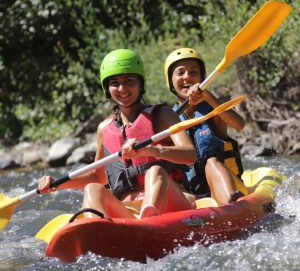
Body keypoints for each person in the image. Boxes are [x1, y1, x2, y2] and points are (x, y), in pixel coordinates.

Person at [38, 49, 197, 219]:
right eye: (114, 83)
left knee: (155, 171)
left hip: (171, 203)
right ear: (107, 88)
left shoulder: (162, 115)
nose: (122, 88)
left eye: (129, 81)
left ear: (140, 83)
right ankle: (96, 231)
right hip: (128, 211)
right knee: (92, 188)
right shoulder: (104, 128)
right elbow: (97, 176)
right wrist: (58, 184)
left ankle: (148, 223)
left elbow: (190, 154)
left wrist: (153, 151)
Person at [164, 47, 248, 205]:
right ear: (171, 81)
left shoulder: (216, 107)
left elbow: (239, 125)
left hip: (228, 185)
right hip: (191, 196)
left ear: (202, 77)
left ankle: (232, 206)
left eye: (193, 72)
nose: (187, 77)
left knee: (212, 163)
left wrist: (208, 97)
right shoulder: (167, 118)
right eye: (180, 73)